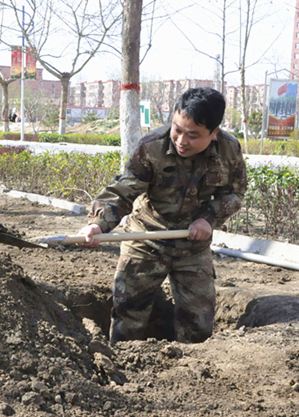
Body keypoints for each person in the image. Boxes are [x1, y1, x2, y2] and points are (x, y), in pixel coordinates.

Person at [79, 87, 247, 344]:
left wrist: (209, 219)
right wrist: (98, 224)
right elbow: (123, 190)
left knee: (198, 324)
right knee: (129, 314)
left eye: (193, 135)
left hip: (193, 244)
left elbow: (235, 193)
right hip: (146, 238)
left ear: (213, 133)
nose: (181, 141)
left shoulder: (229, 150)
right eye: (177, 129)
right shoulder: (152, 147)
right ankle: (122, 368)